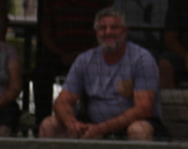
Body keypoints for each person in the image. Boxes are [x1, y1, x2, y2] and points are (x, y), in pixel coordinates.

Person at [38, 7, 160, 140]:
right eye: (102, 28)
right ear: (96, 32)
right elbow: (61, 102)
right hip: (91, 123)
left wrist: (101, 129)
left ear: (125, 31)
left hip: (131, 124)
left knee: (139, 129)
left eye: (114, 27)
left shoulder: (142, 59)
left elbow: (144, 108)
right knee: (48, 124)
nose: (108, 32)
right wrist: (72, 123)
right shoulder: (85, 59)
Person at [32, 0, 104, 121]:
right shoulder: (53, 0)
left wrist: (83, 55)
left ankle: (91, 118)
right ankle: (41, 120)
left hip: (89, 56)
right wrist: (61, 54)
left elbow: (102, 34)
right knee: (40, 72)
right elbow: (46, 33)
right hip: (59, 55)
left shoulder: (97, 1)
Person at [158, 0, 188, 92]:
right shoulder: (180, 3)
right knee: (164, 64)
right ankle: (170, 101)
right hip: (182, 56)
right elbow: (170, 37)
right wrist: (186, 55)